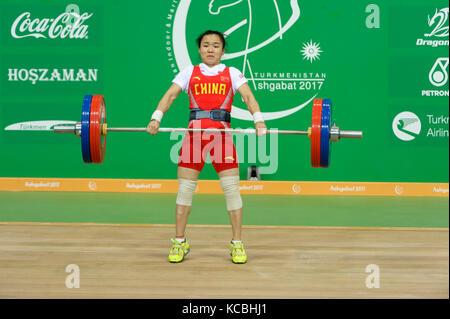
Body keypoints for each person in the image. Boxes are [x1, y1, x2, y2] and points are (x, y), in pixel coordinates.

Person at [146, 30, 267, 264]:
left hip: (222, 137)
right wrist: (156, 118)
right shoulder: (189, 72)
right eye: (205, 45)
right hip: (194, 138)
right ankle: (179, 242)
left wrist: (259, 120)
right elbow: (170, 95)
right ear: (199, 49)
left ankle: (237, 244)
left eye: (215, 46)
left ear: (223, 50)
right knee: (184, 191)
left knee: (232, 191)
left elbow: (249, 98)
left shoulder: (232, 73)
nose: (210, 49)